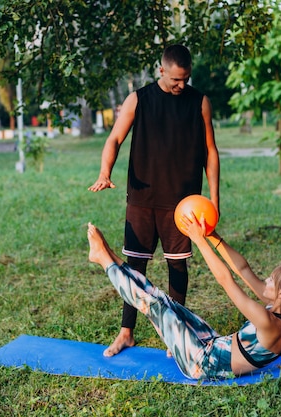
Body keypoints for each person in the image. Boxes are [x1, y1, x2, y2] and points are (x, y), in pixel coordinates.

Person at [88, 44, 220, 357]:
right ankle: (126, 332)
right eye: (176, 79)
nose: (181, 85)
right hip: (142, 198)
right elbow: (115, 138)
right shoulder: (139, 99)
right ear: (161, 70)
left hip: (182, 203)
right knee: (135, 268)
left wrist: (214, 200)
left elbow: (210, 151)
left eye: (185, 79)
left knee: (178, 269)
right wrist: (105, 172)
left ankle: (178, 336)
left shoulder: (199, 101)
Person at [86, 221, 281, 380]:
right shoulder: (277, 309)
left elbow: (227, 281)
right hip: (211, 343)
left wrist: (199, 241)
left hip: (201, 363)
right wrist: (214, 237)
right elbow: (243, 269)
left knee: (153, 306)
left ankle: (104, 261)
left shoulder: (269, 323)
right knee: (163, 299)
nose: (265, 280)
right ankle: (113, 258)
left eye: (271, 280)